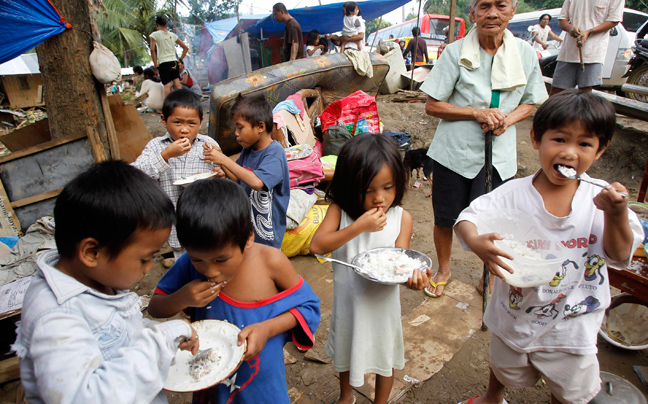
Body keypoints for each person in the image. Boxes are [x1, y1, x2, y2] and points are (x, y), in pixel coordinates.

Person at [454, 90, 643, 404]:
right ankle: (492, 398)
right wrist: (476, 242)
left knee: (568, 389)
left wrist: (616, 214)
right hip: (515, 313)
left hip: (573, 325)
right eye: (559, 139)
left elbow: (621, 255)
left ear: (600, 150)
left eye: (584, 144)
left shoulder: (602, 202)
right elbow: (467, 219)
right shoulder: (512, 194)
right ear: (536, 139)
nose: (570, 152)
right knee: (504, 365)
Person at [12, 161, 200, 404]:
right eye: (144, 258)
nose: (150, 267)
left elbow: (117, 331)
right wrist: (161, 339)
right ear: (91, 252)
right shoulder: (56, 319)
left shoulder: (95, 279)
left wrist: (152, 331)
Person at [148, 179, 321, 403]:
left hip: (262, 382)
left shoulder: (270, 262)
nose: (209, 270)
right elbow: (155, 307)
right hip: (210, 379)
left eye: (221, 259)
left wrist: (268, 329)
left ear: (248, 238)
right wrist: (182, 298)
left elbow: (308, 307)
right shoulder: (187, 265)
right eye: (197, 259)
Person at [420, 0, 547, 298]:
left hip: (498, 156)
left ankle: (486, 275)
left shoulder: (525, 54)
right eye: (484, 6)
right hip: (453, 152)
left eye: (501, 6)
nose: (492, 13)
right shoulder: (454, 52)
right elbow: (432, 105)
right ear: (473, 12)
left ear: (512, 11)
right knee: (445, 216)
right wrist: (476, 113)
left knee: (494, 220)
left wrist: (507, 118)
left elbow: (531, 100)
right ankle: (444, 269)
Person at [309, 133, 432, 404]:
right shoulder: (340, 212)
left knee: (383, 354)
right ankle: (346, 396)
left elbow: (401, 261)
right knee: (346, 350)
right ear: (350, 186)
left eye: (387, 188)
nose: (380, 198)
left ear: (399, 183)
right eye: (368, 190)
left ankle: (381, 401)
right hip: (349, 305)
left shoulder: (402, 218)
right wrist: (358, 227)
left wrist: (413, 279)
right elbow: (317, 246)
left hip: (382, 305)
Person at [132, 89, 219, 259]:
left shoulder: (208, 144)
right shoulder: (157, 146)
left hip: (206, 219)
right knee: (184, 263)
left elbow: (221, 174)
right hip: (174, 224)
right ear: (164, 121)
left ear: (200, 122)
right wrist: (166, 155)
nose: (185, 130)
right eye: (178, 122)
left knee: (209, 260)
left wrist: (220, 173)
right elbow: (135, 175)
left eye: (191, 124)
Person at [203, 93, 290, 250]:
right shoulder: (248, 150)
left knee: (264, 269)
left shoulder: (274, 153)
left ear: (260, 127)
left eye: (240, 127)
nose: (236, 133)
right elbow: (238, 179)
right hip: (249, 227)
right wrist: (222, 162)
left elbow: (257, 182)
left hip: (268, 234)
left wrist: (224, 160)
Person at [550, 0, 623, 95]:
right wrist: (571, 28)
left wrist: (589, 32)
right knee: (557, 91)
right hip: (568, 53)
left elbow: (613, 21)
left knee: (585, 93)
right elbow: (562, 20)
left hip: (593, 53)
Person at [150, 15, 189, 96]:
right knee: (177, 85)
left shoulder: (154, 34)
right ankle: (181, 103)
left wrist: (155, 63)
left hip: (163, 63)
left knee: (167, 86)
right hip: (174, 62)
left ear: (157, 25)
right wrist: (180, 59)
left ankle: (168, 107)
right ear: (166, 25)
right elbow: (185, 48)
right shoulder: (172, 35)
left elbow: (152, 49)